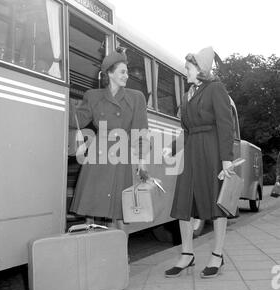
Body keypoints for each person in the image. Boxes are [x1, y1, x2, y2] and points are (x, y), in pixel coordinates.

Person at [163, 47, 235, 278]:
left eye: (188, 68)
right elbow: (186, 130)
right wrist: (171, 149)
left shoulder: (216, 88)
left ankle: (217, 254)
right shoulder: (187, 95)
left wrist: (226, 160)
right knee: (184, 203)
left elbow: (226, 125)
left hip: (212, 152)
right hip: (192, 152)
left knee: (217, 202)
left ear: (200, 69)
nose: (185, 71)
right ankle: (187, 254)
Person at [70, 48, 149, 231]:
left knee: (119, 214)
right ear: (110, 73)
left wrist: (142, 163)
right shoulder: (93, 96)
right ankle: (92, 251)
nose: (127, 76)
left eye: (127, 72)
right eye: (122, 71)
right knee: (90, 210)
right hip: (97, 156)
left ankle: (119, 255)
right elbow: (78, 120)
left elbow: (140, 133)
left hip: (120, 156)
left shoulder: (136, 98)